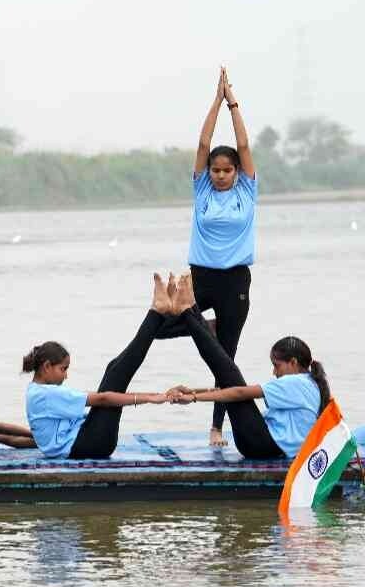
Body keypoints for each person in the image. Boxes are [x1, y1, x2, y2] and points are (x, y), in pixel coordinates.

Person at [156, 67, 258, 447]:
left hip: (234, 281)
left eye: (226, 170)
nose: (219, 175)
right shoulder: (202, 190)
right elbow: (202, 144)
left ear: (236, 172)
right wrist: (214, 100)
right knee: (161, 327)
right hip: (200, 278)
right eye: (215, 170)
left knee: (224, 358)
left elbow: (244, 147)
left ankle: (217, 427)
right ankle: (205, 326)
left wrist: (233, 104)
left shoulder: (247, 190)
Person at [167, 275, 330, 459]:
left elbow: (239, 393)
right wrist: (192, 391)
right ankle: (189, 308)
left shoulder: (297, 383)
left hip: (262, 445)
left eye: (277, 366)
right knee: (226, 370)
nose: (274, 372)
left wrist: (194, 397)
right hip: (262, 445)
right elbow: (236, 390)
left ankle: (188, 310)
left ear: (293, 362)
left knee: (227, 369)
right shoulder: (308, 383)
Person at [22, 274, 179, 459]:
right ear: (47, 366)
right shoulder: (44, 395)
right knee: (117, 373)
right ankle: (157, 313)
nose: (66, 376)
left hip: (86, 440)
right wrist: (150, 398)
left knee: (113, 368)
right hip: (90, 444)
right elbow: (102, 399)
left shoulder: (37, 391)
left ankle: (158, 313)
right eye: (63, 369)